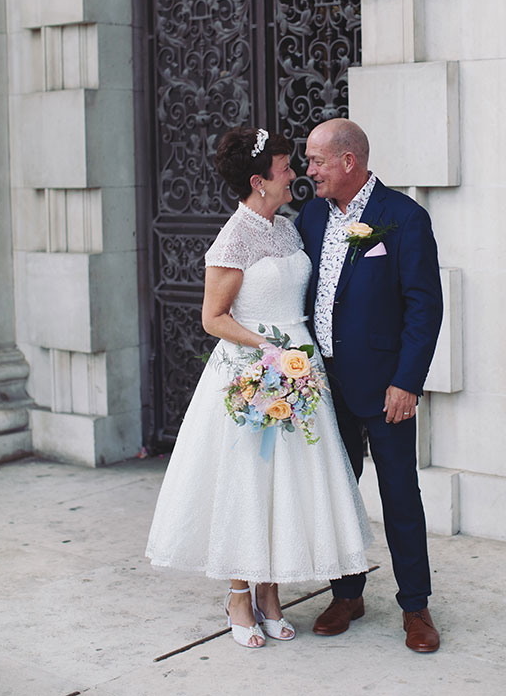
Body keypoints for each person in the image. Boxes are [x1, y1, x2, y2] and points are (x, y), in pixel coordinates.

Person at [146, 126, 372, 649]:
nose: (294, 174)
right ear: (259, 180)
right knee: (248, 482)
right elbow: (213, 318)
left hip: (300, 369)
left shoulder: (289, 228)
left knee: (283, 484)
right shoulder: (234, 238)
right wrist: (268, 350)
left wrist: (296, 356)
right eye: (285, 167)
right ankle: (238, 594)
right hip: (254, 370)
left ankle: (270, 591)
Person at [295, 118, 443, 653]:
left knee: (400, 494)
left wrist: (407, 381)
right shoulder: (311, 216)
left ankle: (416, 606)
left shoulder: (403, 218)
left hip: (386, 389)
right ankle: (347, 594)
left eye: (316, 161)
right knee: (337, 494)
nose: (308, 171)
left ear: (349, 162)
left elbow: (425, 309)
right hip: (323, 385)